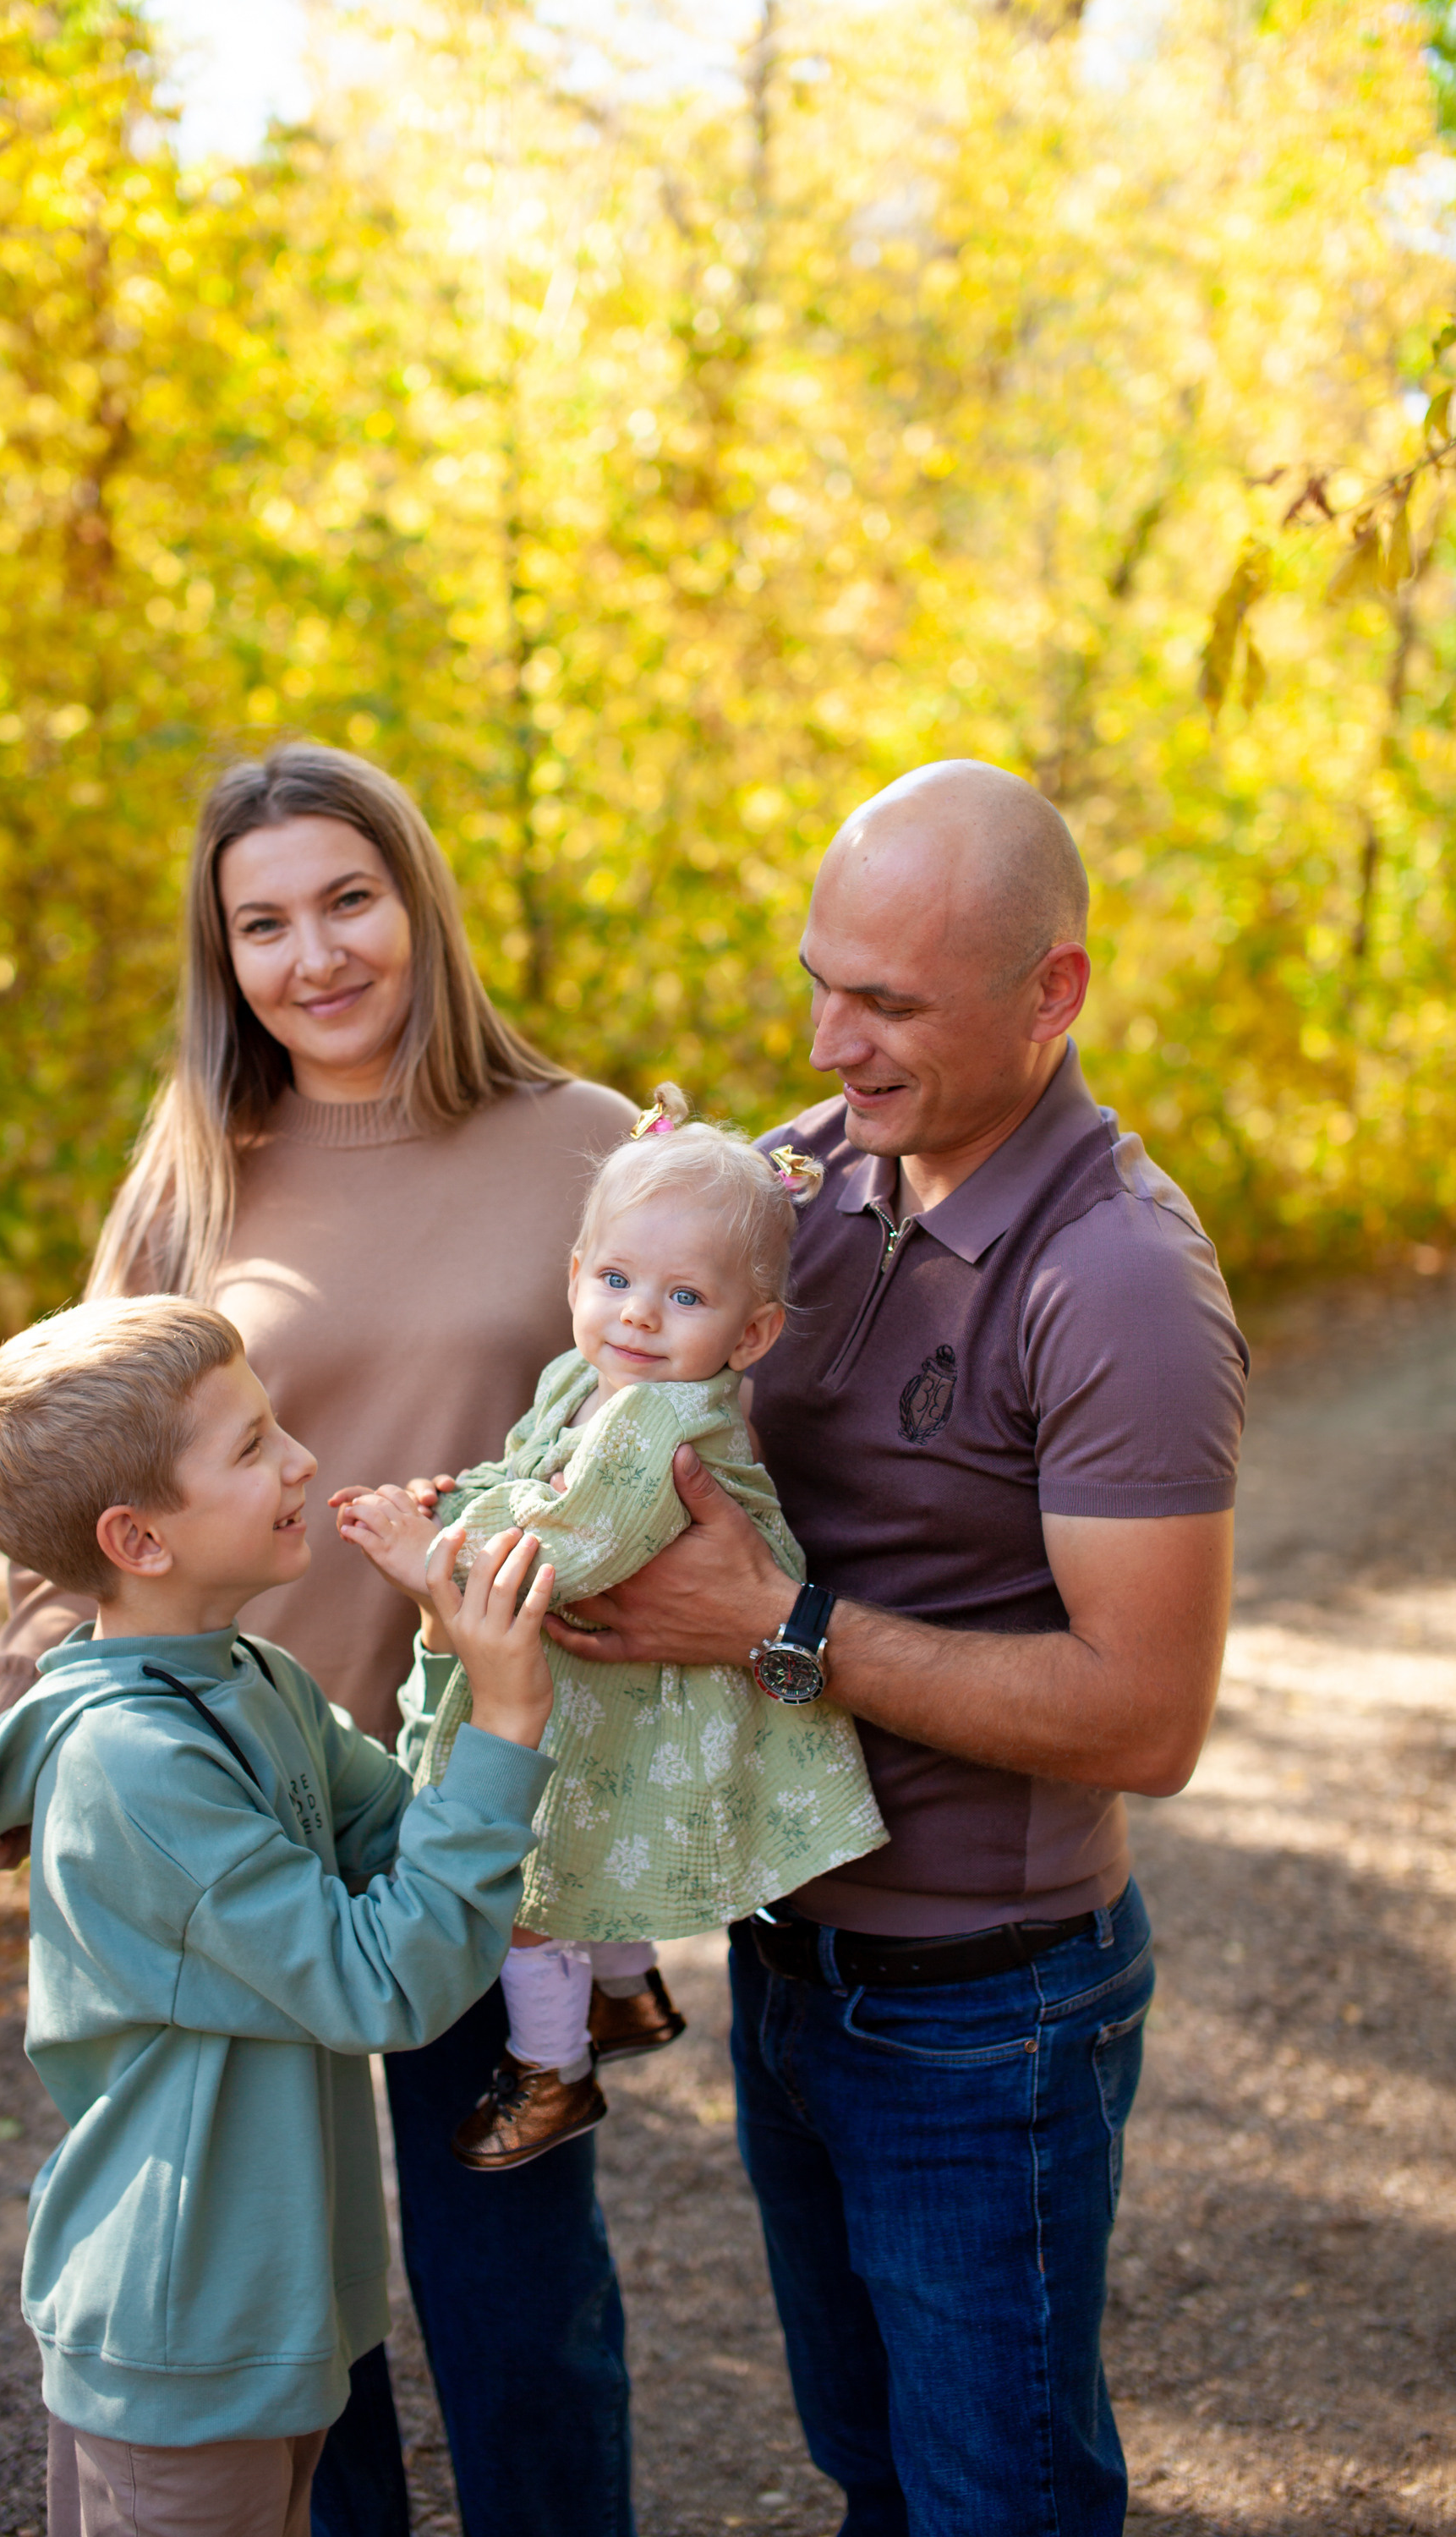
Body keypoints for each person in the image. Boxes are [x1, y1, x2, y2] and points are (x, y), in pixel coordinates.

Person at [0, 745, 638, 2537]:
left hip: (466, 1808)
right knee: (288, 2305)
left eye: (347, 900)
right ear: (221, 952)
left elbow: (679, 1425)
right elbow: (80, 1464)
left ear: (416, 903)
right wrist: (20, 1726)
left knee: (516, 2303)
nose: (313, 955)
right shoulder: (195, 1167)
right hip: (234, 1813)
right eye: (263, 923)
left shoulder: (588, 1144)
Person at [546, 760, 1250, 2536]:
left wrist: (771, 1628)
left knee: (991, 2497)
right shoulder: (806, 1185)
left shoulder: (1120, 1284)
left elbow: (1146, 1717)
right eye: (817, 980)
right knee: (870, 2473)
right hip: (791, 1964)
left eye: (887, 1003)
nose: (828, 1039)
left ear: (1053, 993)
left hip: (983, 2011)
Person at [0, 1295, 561, 2537]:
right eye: (254, 1445)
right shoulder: (136, 1765)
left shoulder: (251, 1678)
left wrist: (442, 1646)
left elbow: (399, 1850)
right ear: (139, 1539)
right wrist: (505, 1718)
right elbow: (384, 1982)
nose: (304, 1463)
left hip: (266, 2304)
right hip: (182, 2325)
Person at [336, 1085, 885, 2170]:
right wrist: (463, 1499)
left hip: (651, 1666)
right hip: (620, 1681)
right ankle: (625, 1998)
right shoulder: (587, 1378)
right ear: (575, 1276)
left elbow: (562, 1546)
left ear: (752, 1331)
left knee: (528, 1881)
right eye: (617, 1279)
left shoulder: (657, 1415)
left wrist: (429, 1554)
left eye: (685, 1296)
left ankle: (553, 2075)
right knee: (588, 1820)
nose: (638, 1314)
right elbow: (528, 1473)